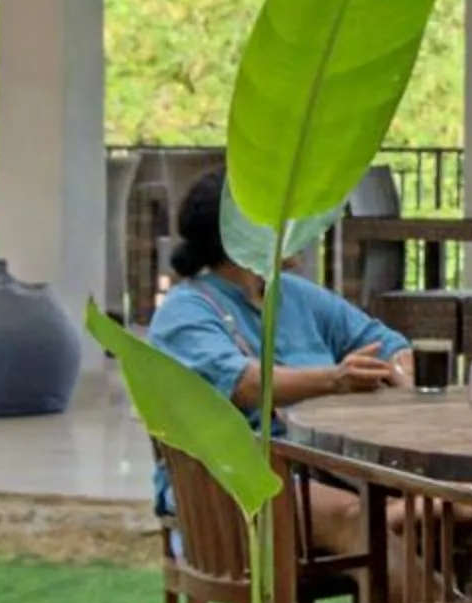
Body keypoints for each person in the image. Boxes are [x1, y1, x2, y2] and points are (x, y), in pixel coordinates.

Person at [149, 167, 411, 554]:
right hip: (233, 491)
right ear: (243, 233)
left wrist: (402, 383)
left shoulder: (296, 295)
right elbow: (244, 383)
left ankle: (391, 567)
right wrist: (336, 379)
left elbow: (388, 343)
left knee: (464, 507)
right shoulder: (185, 310)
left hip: (330, 470)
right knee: (365, 521)